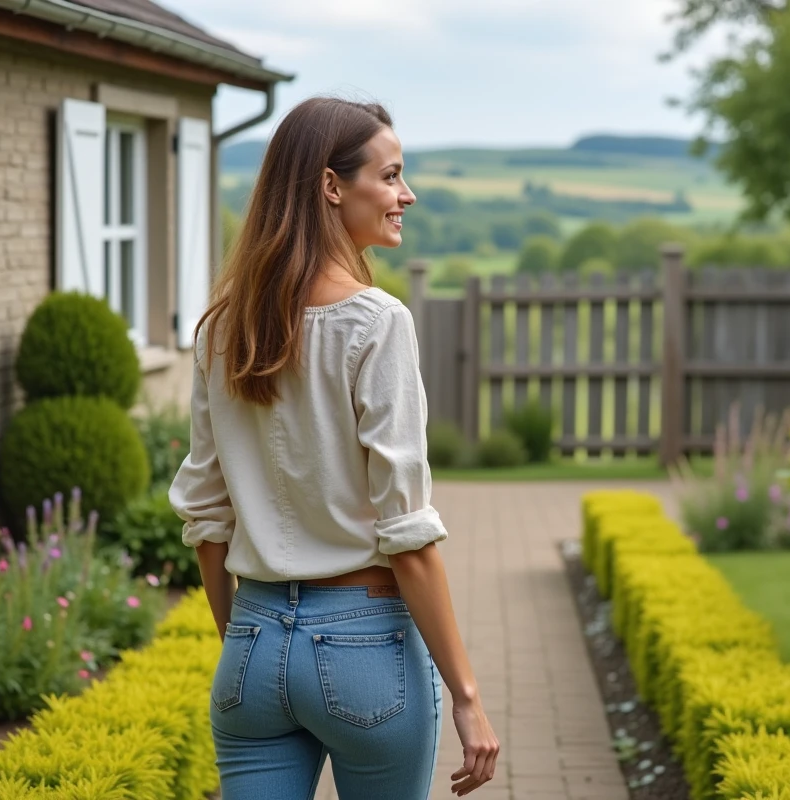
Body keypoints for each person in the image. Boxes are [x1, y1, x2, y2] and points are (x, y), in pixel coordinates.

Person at [168, 96, 499, 799]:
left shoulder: (221, 329)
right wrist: (467, 699)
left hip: (251, 649)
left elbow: (205, 517)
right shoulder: (377, 322)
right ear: (330, 186)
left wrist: (251, 643)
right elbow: (407, 535)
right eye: (390, 176)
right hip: (366, 649)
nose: (405, 195)